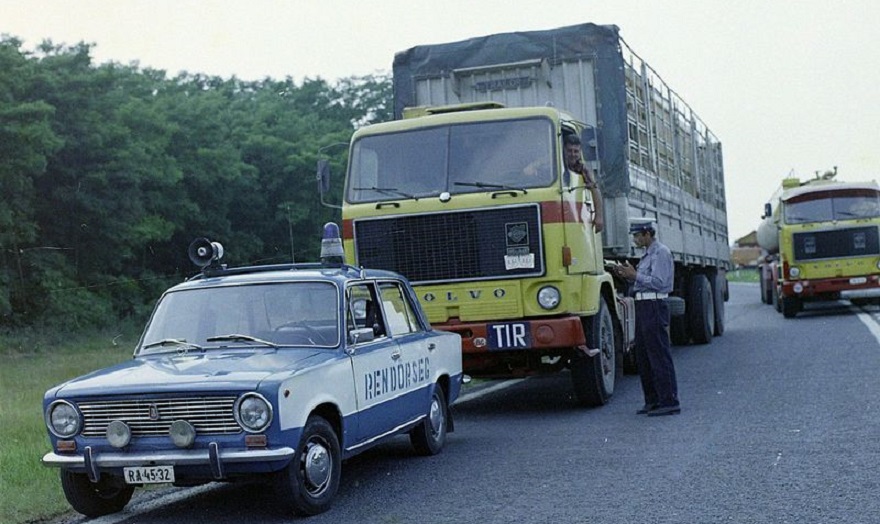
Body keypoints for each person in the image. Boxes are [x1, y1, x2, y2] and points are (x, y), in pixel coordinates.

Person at [614, 219, 680, 416]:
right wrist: (627, 275)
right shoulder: (646, 255)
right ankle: (652, 400)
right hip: (643, 305)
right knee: (643, 355)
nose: (634, 239)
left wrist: (635, 276)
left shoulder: (661, 252)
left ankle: (669, 401)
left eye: (637, 235)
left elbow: (660, 283)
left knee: (658, 354)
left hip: (654, 305)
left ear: (647, 234)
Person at [563, 133, 604, 233]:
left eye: (576, 151)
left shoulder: (583, 169)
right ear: (564, 150)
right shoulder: (554, 165)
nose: (572, 154)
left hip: (576, 213)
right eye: (569, 151)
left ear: (580, 152)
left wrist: (599, 217)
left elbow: (595, 189)